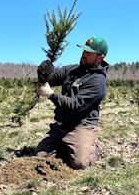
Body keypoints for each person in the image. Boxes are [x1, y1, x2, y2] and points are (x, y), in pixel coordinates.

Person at [34, 36, 109, 170]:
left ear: (100, 57)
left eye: (89, 52)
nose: (84, 54)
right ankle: (65, 145)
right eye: (83, 50)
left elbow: (76, 106)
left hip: (82, 126)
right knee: (40, 155)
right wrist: (44, 74)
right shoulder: (73, 70)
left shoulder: (97, 82)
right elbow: (54, 76)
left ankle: (93, 146)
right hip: (62, 125)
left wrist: (51, 95)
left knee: (79, 163)